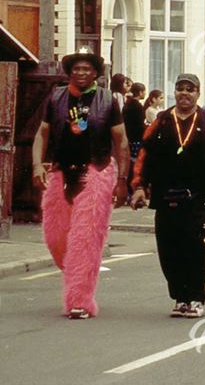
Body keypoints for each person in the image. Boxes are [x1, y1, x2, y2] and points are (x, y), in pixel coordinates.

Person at [31, 48, 129, 319]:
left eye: (87, 69)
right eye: (77, 69)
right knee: (55, 239)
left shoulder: (108, 100)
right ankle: (79, 272)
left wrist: (122, 180)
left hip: (96, 172)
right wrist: (38, 164)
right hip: (62, 172)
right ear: (70, 72)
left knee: (85, 240)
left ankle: (80, 301)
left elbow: (120, 142)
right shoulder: (57, 97)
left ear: (96, 73)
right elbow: (42, 133)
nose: (81, 73)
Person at [131, 73, 205, 318]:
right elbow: (145, 156)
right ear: (174, 92)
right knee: (168, 248)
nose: (185, 93)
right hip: (165, 196)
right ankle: (180, 296)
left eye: (190, 89)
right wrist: (138, 186)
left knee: (193, 247)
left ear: (198, 94)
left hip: (198, 197)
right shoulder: (162, 121)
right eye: (180, 89)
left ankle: (197, 297)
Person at [123, 82, 147, 190]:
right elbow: (139, 124)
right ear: (140, 92)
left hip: (128, 137)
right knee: (136, 164)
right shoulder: (138, 106)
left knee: (130, 164)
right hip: (136, 139)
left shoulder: (127, 104)